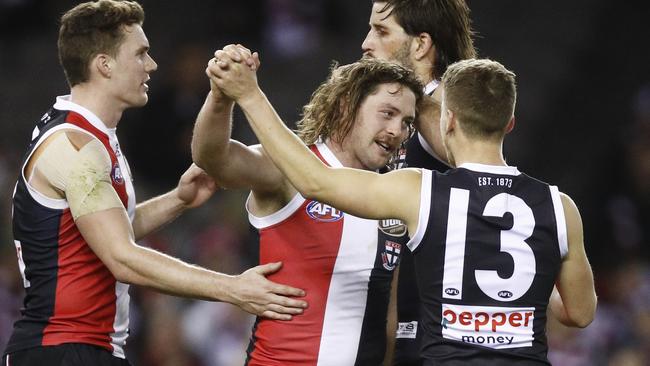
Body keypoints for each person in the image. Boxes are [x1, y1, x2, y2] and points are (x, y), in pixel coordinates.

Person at [209, 49, 597, 365]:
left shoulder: (420, 192)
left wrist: (249, 95)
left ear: (448, 121)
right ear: (510, 123)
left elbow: (315, 182)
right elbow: (579, 314)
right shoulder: (559, 206)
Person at [2, 2, 306, 366]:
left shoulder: (88, 135)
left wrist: (178, 199)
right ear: (104, 64)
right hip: (63, 350)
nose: (152, 65)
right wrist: (233, 288)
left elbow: (101, 232)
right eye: (141, 54)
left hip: (77, 349)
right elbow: (121, 257)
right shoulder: (76, 146)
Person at [192, 48, 422, 364]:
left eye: (407, 121)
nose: (398, 131)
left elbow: (390, 316)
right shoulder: (288, 167)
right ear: (346, 106)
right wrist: (221, 98)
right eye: (388, 113)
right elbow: (213, 158)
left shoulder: (395, 196)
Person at [361, 1, 476, 363]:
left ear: (420, 45)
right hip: (402, 328)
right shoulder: (400, 112)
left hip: (440, 339)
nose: (366, 43)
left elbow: (490, 177)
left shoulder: (443, 112)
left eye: (381, 31)